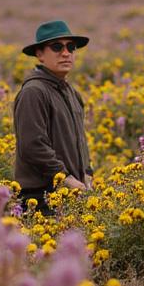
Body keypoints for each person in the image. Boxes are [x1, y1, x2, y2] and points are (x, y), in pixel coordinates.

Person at [13, 20, 93, 215]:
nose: (66, 53)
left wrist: (86, 172)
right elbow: (33, 146)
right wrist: (65, 177)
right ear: (40, 54)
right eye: (57, 47)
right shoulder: (34, 91)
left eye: (71, 47)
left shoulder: (72, 93)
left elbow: (79, 140)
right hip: (40, 200)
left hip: (69, 194)